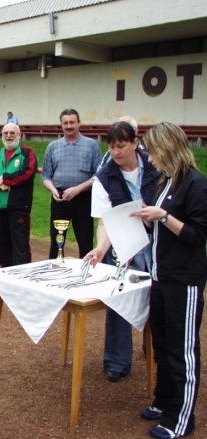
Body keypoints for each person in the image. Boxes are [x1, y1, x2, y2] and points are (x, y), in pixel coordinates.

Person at [130, 123, 207, 439]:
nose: (150, 159)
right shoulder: (167, 181)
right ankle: (165, 401)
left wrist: (163, 216)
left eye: (153, 153)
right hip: (161, 277)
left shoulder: (196, 184)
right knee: (161, 344)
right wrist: (148, 218)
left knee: (181, 350)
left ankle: (182, 419)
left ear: (168, 148)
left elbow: (197, 235)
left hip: (183, 280)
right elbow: (163, 227)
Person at [84, 121, 161, 383]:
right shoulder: (104, 178)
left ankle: (158, 351)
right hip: (123, 245)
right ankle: (117, 360)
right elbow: (104, 222)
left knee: (160, 297)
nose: (116, 152)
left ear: (135, 143)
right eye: (112, 146)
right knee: (118, 299)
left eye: (121, 145)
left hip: (158, 240)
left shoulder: (155, 166)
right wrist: (100, 248)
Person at [41, 109, 102, 259]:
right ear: (61, 124)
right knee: (56, 242)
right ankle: (55, 268)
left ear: (79, 123)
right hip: (60, 199)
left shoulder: (91, 145)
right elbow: (46, 176)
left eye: (72, 122)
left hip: (83, 199)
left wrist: (78, 189)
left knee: (85, 241)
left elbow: (98, 176)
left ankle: (86, 270)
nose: (69, 126)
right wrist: (53, 190)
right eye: (65, 123)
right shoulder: (53, 147)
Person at [0, 123, 38, 267]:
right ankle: (5, 278)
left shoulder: (27, 152)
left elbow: (27, 173)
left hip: (18, 210)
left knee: (20, 249)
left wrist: (5, 179)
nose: (8, 136)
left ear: (19, 135)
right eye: (5, 133)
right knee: (3, 249)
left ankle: (22, 279)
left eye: (12, 133)